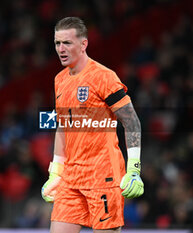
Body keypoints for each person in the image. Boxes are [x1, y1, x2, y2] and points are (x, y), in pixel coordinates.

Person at [41, 17, 144, 233]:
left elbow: (131, 121)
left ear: (83, 44)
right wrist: (56, 173)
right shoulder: (59, 80)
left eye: (67, 43)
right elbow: (63, 127)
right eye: (57, 43)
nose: (61, 48)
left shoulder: (104, 77)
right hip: (71, 177)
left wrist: (134, 167)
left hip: (103, 175)